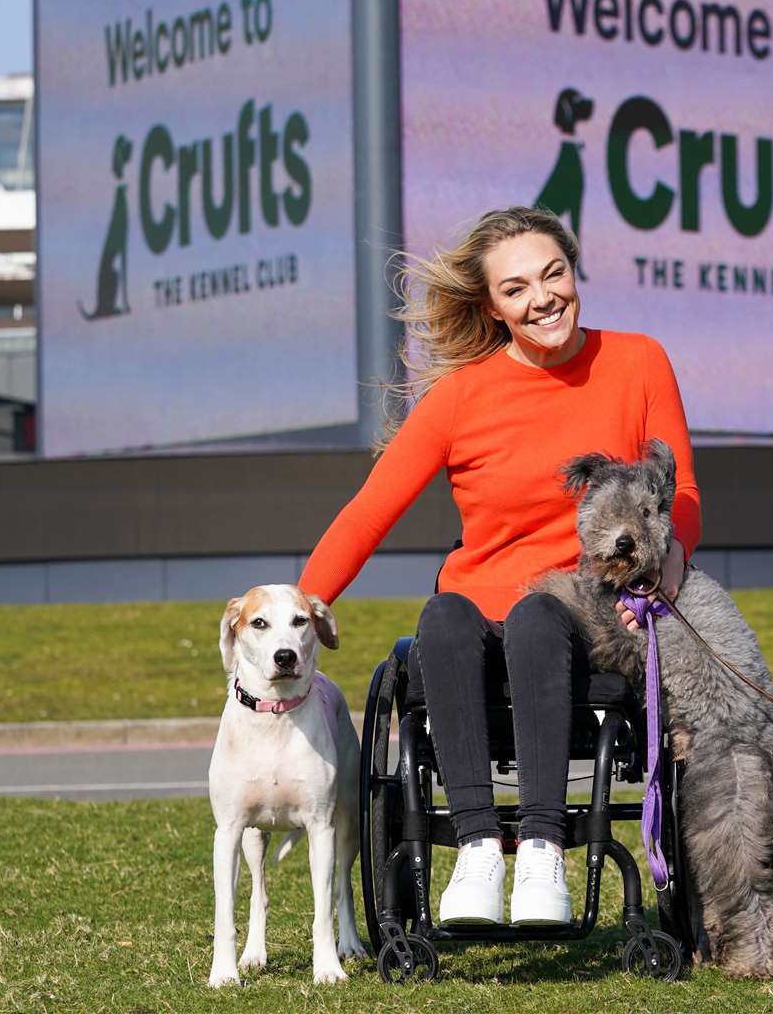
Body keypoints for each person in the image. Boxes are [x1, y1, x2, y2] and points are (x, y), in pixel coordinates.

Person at [298, 206, 701, 927]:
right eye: (516, 289)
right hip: (474, 629)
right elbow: (367, 514)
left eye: (554, 275)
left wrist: (671, 558)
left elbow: (684, 491)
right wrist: (294, 615)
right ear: (492, 305)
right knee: (443, 616)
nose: (542, 298)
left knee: (538, 615)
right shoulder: (459, 397)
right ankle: (478, 849)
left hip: (586, 617)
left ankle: (544, 854)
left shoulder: (639, 361)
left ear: (575, 273)